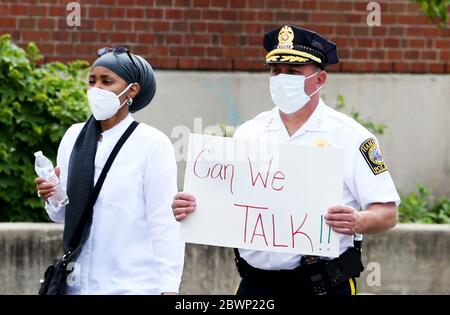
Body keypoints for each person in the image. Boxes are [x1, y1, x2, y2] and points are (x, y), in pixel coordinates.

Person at [172, 25, 400, 295]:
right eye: (275, 71)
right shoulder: (249, 132)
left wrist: (358, 221)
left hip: (321, 285)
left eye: (293, 72)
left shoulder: (350, 137)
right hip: (256, 285)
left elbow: (387, 213)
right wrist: (192, 206)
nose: (281, 79)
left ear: (319, 80)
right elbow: (225, 199)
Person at [35, 48, 184, 295]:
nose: (97, 89)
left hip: (132, 284)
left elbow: (163, 221)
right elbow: (62, 215)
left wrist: (169, 286)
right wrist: (51, 195)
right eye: (92, 81)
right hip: (78, 284)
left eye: (107, 81)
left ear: (132, 90)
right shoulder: (74, 136)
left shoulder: (152, 143)